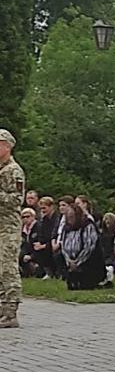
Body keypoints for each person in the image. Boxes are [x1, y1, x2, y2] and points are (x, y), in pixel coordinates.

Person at [0, 128, 25, 328]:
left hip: (8, 227)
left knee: (8, 268)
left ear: (7, 146)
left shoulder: (13, 171)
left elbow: (17, 199)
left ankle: (10, 312)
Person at [61, 203, 106, 291]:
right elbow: (63, 246)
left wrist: (78, 262)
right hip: (71, 263)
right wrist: (69, 261)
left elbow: (89, 247)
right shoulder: (66, 228)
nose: (70, 220)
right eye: (68, 217)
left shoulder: (88, 226)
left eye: (72, 217)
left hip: (88, 263)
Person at [30, 196, 57, 279]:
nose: (43, 210)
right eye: (41, 208)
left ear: (51, 207)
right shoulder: (43, 220)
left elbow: (55, 235)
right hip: (46, 243)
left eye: (44, 208)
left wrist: (44, 245)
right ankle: (47, 271)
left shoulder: (57, 219)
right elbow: (41, 234)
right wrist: (39, 243)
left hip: (55, 242)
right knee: (37, 250)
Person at [19, 207, 37, 278]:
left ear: (33, 217)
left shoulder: (38, 227)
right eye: (23, 217)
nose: (25, 219)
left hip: (36, 252)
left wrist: (32, 256)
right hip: (25, 253)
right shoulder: (22, 230)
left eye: (28, 216)